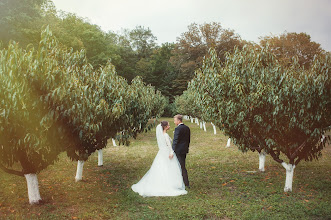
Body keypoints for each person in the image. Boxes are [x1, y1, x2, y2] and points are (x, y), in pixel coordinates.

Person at [131, 121, 187, 197]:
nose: (169, 126)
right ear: (165, 127)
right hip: (167, 152)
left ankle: (158, 182)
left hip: (161, 153)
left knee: (160, 167)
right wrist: (171, 152)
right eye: (168, 125)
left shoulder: (161, 135)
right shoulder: (166, 135)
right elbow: (169, 145)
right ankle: (170, 184)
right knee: (169, 168)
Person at [172, 114, 190, 188]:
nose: (174, 122)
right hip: (184, 150)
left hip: (178, 151)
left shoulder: (178, 129)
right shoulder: (187, 128)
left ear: (179, 120)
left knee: (180, 167)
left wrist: (172, 150)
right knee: (182, 166)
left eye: (175, 120)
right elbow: (188, 140)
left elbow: (175, 140)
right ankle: (185, 182)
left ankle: (184, 183)